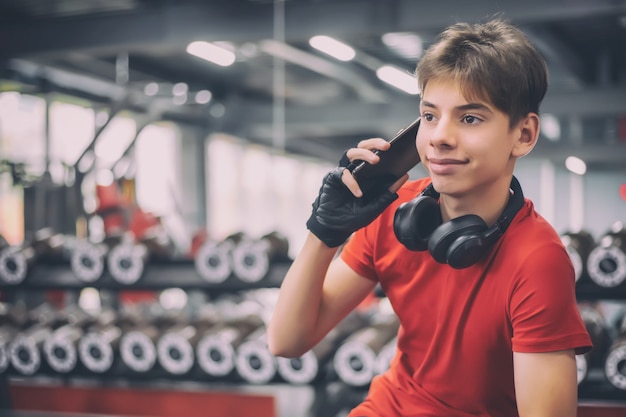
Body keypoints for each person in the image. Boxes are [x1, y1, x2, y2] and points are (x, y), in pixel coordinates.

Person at [267, 18, 592, 417]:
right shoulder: (392, 210)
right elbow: (287, 341)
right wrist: (323, 233)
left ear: (523, 135)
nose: (439, 136)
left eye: (469, 118)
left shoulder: (537, 260)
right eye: (430, 115)